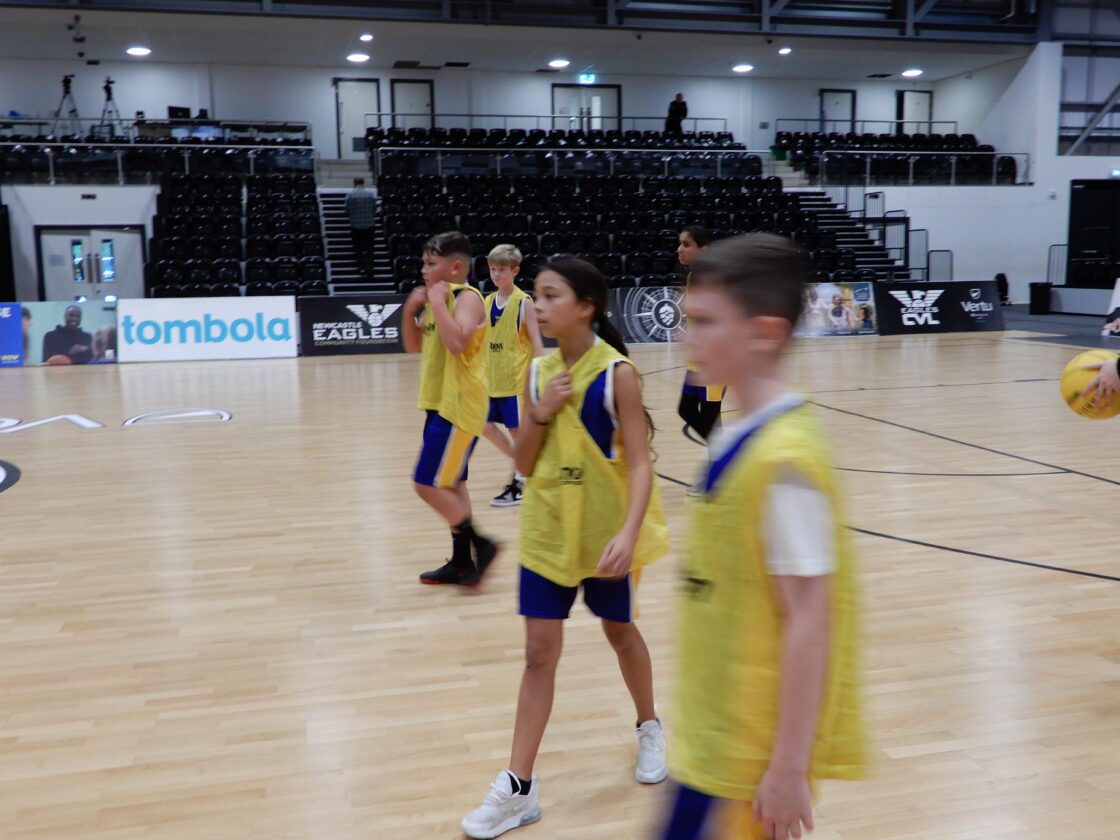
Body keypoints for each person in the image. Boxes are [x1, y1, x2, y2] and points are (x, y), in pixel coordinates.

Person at [659, 233, 865, 840]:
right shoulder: (736, 435)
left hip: (742, 767)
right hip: (708, 742)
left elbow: (810, 621)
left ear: (764, 334)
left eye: (704, 322)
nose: (686, 337)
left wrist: (788, 769)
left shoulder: (785, 462)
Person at [461, 257, 670, 840]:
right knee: (537, 655)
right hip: (548, 534)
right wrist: (541, 412)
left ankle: (649, 725)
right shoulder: (537, 373)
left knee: (620, 632)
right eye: (540, 296)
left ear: (586, 307)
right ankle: (518, 787)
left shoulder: (617, 374)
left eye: (552, 296)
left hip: (605, 536)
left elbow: (641, 466)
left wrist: (628, 533)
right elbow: (525, 463)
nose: (541, 305)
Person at [401, 231, 499, 586]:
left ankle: (481, 544)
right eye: (423, 263)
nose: (423, 270)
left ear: (455, 268)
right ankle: (461, 562)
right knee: (452, 484)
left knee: (425, 484)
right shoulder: (437, 299)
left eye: (431, 263)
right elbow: (413, 346)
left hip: (458, 407)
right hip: (439, 404)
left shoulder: (467, 298)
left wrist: (439, 304)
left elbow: (458, 343)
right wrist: (411, 310)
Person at [483, 244, 545, 508]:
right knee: (482, 424)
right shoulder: (487, 301)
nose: (496, 274)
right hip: (492, 380)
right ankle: (524, 464)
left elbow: (538, 344)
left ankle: (521, 482)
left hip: (517, 382)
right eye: (493, 269)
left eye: (502, 270)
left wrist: (541, 378)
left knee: (517, 432)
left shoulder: (524, 303)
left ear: (515, 271)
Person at [677, 226, 725, 494]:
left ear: (703, 248)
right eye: (680, 244)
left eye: (686, 244)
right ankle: (725, 459)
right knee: (686, 409)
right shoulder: (694, 276)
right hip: (698, 359)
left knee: (710, 416)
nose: (680, 249)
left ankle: (720, 471)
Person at [345, 177, 377, 276]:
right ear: (363, 183)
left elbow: (347, 210)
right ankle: (370, 267)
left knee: (358, 248)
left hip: (356, 225)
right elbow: (374, 208)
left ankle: (361, 268)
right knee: (369, 248)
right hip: (369, 225)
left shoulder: (350, 195)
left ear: (354, 183)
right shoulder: (370, 194)